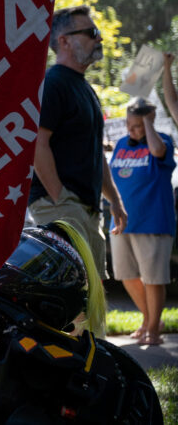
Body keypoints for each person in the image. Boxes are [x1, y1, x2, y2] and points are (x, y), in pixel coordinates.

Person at [28, 6, 127, 280]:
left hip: (88, 207)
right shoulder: (53, 83)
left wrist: (115, 202)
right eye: (91, 33)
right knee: (74, 290)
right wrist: (60, 199)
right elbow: (37, 144)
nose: (100, 39)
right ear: (64, 41)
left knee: (91, 293)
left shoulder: (86, 89)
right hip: (61, 203)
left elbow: (96, 155)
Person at [108, 97, 175, 346]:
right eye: (129, 124)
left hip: (153, 222)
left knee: (153, 279)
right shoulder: (121, 144)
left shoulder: (162, 142)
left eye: (137, 125)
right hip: (122, 222)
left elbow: (157, 152)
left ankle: (153, 331)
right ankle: (149, 321)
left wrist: (148, 125)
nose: (131, 130)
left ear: (149, 122)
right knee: (126, 276)